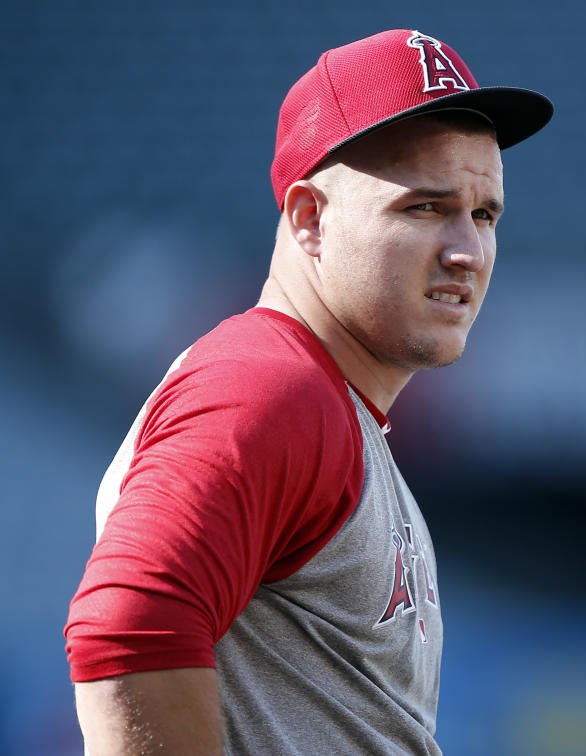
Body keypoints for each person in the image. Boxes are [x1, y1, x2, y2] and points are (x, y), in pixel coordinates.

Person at [64, 28, 552, 755]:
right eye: (424, 207)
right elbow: (131, 620)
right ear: (309, 219)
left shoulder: (329, 405)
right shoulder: (268, 385)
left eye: (484, 214)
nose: (467, 251)